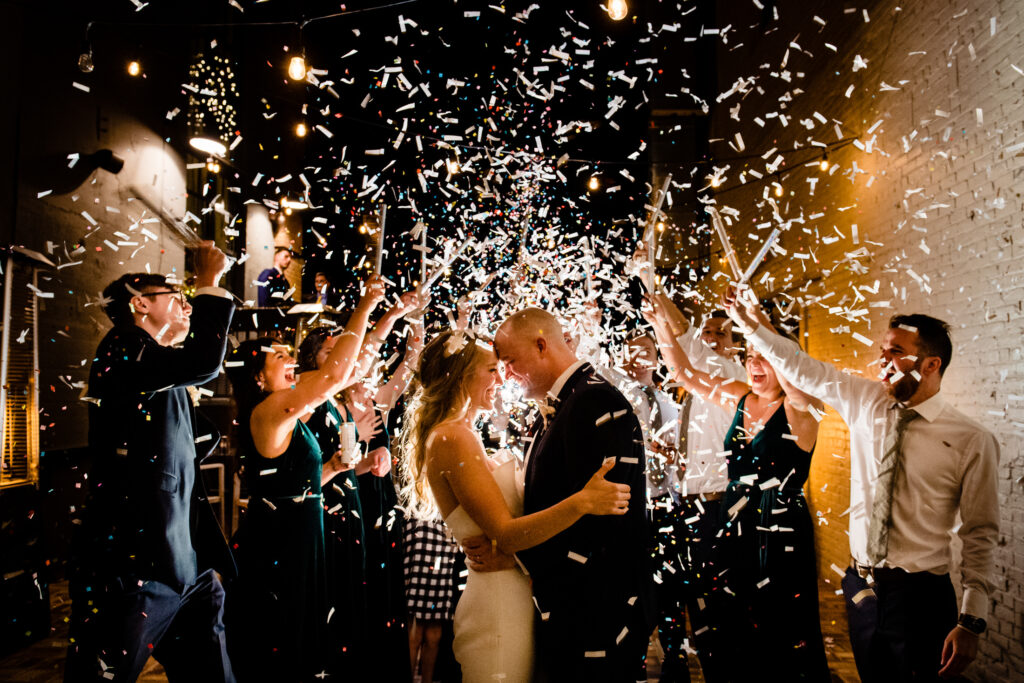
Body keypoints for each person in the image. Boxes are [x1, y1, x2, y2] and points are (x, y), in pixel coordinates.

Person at [725, 289, 1000, 682]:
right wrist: (751, 324)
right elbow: (802, 368)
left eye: (897, 353)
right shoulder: (864, 400)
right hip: (862, 590)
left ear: (932, 364)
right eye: (883, 351)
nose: (882, 362)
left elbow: (980, 534)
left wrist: (972, 620)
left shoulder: (971, 440)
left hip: (920, 597)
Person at [401, 328, 631, 683]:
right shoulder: (452, 437)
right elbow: (506, 535)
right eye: (492, 369)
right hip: (496, 607)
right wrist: (582, 502)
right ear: (461, 376)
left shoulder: (465, 433)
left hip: (512, 593)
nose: (502, 377)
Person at [67, 242, 236, 682]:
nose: (186, 304)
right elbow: (203, 362)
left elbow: (194, 437)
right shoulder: (123, 348)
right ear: (139, 303)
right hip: (133, 561)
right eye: (175, 297)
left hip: (183, 564)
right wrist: (208, 284)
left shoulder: (159, 367)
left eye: (188, 297)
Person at [645, 291, 830, 682]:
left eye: (763, 357)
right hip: (733, 526)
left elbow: (795, 378)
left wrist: (756, 323)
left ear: (784, 360)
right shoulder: (740, 398)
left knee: (779, 627)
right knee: (729, 622)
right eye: (749, 356)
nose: (753, 364)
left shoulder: (803, 406)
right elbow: (683, 374)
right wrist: (660, 323)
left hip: (778, 532)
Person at [224, 275, 385, 682]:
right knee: (284, 639)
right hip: (280, 540)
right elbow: (334, 375)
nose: (290, 358)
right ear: (258, 377)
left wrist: (332, 468)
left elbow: (347, 371)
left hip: (302, 532)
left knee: (306, 635)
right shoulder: (267, 411)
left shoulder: (287, 411)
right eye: (279, 357)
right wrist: (363, 308)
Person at [492, 308, 656, 682]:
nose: (506, 373)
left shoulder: (595, 402)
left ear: (541, 345)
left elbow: (603, 518)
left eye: (511, 361)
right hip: (572, 604)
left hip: (598, 608)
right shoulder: (561, 404)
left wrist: (518, 556)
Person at [646, 304, 747, 682]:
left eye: (721, 333)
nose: (711, 339)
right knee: (694, 601)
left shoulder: (729, 375)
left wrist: (658, 301)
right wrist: (677, 458)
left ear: (736, 345)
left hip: (719, 508)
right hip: (690, 506)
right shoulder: (698, 386)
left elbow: (684, 342)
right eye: (709, 332)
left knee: (716, 609)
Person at [620, 333, 689, 681]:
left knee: (671, 591)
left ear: (657, 358)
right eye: (632, 350)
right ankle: (636, 663)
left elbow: (684, 458)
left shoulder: (671, 404)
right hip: (635, 508)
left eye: (646, 350)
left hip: (667, 505)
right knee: (635, 591)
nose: (638, 356)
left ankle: (675, 662)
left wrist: (675, 457)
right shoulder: (617, 400)